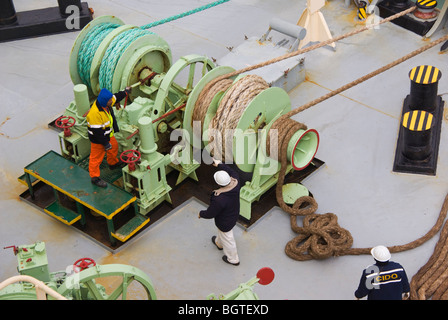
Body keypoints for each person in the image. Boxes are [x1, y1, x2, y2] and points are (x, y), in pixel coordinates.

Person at [198, 158, 241, 266]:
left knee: (228, 238)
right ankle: (219, 243)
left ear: (218, 183)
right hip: (234, 214)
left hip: (225, 222)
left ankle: (233, 259)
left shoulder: (219, 199)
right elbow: (231, 171)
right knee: (223, 234)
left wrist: (201, 214)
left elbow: (210, 213)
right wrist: (219, 164)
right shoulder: (236, 181)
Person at [86, 87, 131, 188]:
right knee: (95, 159)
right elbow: (97, 133)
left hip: (108, 134)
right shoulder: (94, 114)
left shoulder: (107, 102)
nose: (112, 101)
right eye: (110, 100)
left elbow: (116, 97)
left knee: (114, 147)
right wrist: (105, 144)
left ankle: (112, 163)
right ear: (105, 101)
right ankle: (95, 177)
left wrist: (125, 92)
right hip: (98, 140)